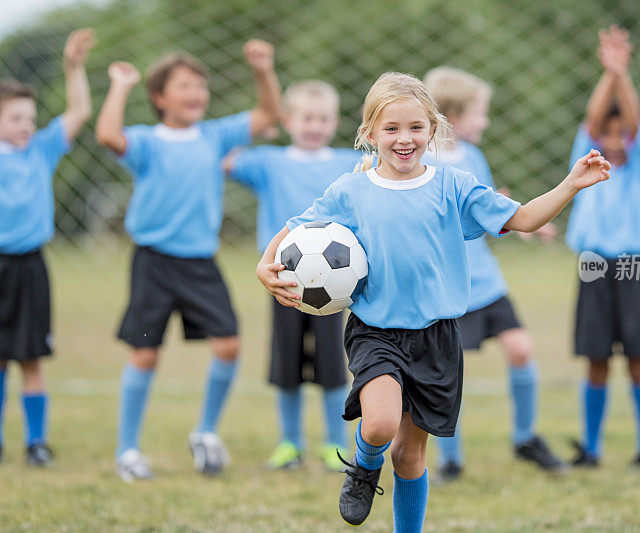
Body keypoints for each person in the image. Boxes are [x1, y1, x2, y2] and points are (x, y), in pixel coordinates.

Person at [257, 72, 609, 530]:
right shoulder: (351, 190)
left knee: (408, 455)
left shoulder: (455, 186)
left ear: (435, 130)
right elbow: (298, 227)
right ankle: (364, 466)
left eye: (416, 128)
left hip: (437, 338)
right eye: (391, 129)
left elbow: (521, 218)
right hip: (376, 331)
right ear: (369, 134)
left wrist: (570, 185)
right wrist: (266, 263)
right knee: (380, 426)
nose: (405, 139)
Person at [95, 40, 281, 481]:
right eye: (184, 86)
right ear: (160, 97)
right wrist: (121, 85)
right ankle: (127, 450)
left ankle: (207, 432)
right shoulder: (146, 141)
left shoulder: (215, 136)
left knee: (229, 344)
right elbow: (107, 134)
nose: (196, 92)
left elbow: (267, 115)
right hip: (153, 263)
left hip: (200, 262)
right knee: (145, 354)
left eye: (201, 85)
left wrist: (262, 72)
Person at [422, 66, 565, 483]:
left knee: (520, 350)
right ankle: (450, 456)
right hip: (449, 287)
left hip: (486, 280)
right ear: (452, 114)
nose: (485, 121)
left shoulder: (474, 158)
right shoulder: (420, 164)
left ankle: (525, 439)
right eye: (480, 113)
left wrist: (525, 220)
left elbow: (485, 205)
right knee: (448, 370)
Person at [224, 80, 360, 470]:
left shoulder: (346, 163)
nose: (314, 126)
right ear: (287, 121)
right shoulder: (269, 161)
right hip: (282, 280)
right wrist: (256, 131)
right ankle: (290, 443)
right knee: (286, 365)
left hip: (335, 285)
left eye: (323, 118)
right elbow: (225, 159)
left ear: (334, 123)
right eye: (306, 118)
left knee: (333, 365)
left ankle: (333, 445)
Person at [566, 26, 640, 468]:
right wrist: (606, 75)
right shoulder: (589, 169)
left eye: (619, 134)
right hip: (593, 267)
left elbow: (635, 121)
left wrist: (621, 74)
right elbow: (592, 121)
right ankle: (591, 448)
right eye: (603, 136)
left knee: (639, 361)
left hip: (634, 267)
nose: (611, 142)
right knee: (596, 361)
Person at [0, 29, 95, 467]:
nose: (27, 125)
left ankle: (36, 442)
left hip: (31, 267)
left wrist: (74, 66)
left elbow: (78, 111)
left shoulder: (40, 151)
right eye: (16, 117)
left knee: (32, 358)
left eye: (29, 117)